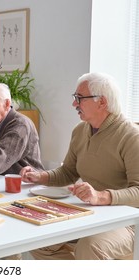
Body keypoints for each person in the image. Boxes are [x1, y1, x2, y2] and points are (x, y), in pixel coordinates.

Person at [20, 72, 139, 260]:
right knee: (39, 240)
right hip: (90, 212)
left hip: (128, 221)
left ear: (102, 102)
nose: (74, 104)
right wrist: (40, 176)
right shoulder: (80, 130)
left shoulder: (131, 136)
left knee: (90, 247)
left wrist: (101, 196)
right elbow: (68, 171)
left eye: (79, 98)